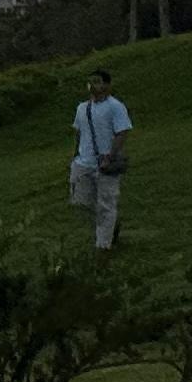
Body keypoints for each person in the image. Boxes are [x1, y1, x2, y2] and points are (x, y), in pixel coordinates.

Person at [68, 66, 131, 250]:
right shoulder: (82, 108)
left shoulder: (115, 106)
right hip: (83, 162)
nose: (93, 86)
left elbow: (122, 132)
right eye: (90, 82)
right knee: (81, 201)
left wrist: (110, 156)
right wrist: (74, 157)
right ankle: (110, 227)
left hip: (105, 163)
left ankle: (103, 245)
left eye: (97, 82)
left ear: (107, 85)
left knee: (106, 202)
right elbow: (78, 133)